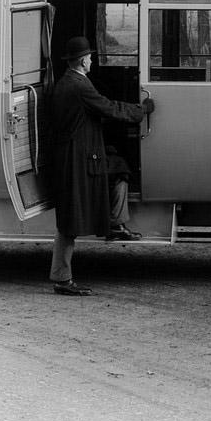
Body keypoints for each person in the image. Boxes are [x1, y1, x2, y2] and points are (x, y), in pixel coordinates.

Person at [49, 35, 154, 296]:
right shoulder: (79, 85)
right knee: (70, 222)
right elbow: (108, 108)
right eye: (91, 57)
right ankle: (62, 279)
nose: (92, 60)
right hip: (78, 158)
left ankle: (114, 223)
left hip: (72, 156)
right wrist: (140, 111)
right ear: (83, 61)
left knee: (72, 216)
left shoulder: (67, 83)